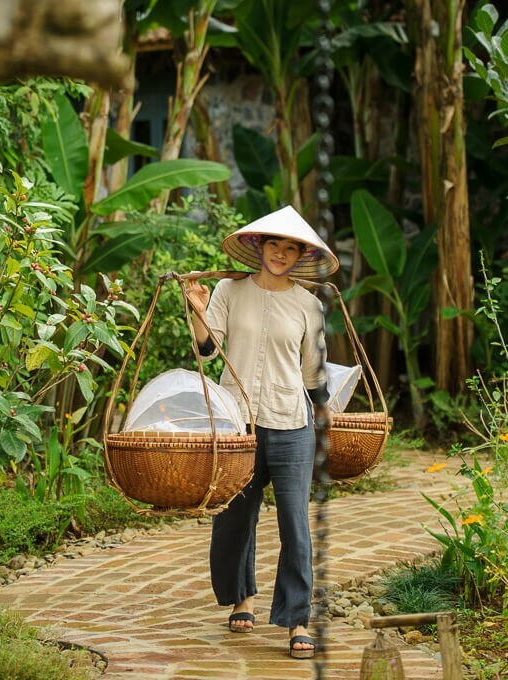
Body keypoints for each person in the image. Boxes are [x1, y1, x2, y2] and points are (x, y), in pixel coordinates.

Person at [183, 205, 337, 659]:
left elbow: (314, 373)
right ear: (259, 247)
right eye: (275, 245)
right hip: (239, 422)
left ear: (299, 255)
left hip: (292, 422)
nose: (282, 254)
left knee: (295, 523)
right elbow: (208, 350)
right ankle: (242, 598)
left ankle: (296, 620)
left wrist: (326, 418)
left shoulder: (310, 304)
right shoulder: (229, 290)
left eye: (292, 249)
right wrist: (197, 309)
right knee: (234, 518)